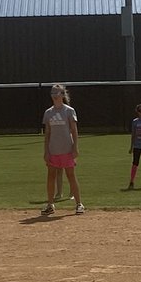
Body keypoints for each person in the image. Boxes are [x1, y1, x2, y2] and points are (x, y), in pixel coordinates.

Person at [42, 83, 84, 216]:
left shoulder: (69, 111)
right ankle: (50, 204)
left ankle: (79, 204)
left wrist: (75, 147)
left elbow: (74, 130)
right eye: (52, 92)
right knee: (51, 177)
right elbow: (47, 133)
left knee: (71, 176)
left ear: (62, 95)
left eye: (57, 92)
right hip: (53, 149)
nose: (54, 95)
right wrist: (46, 151)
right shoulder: (48, 113)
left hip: (66, 149)